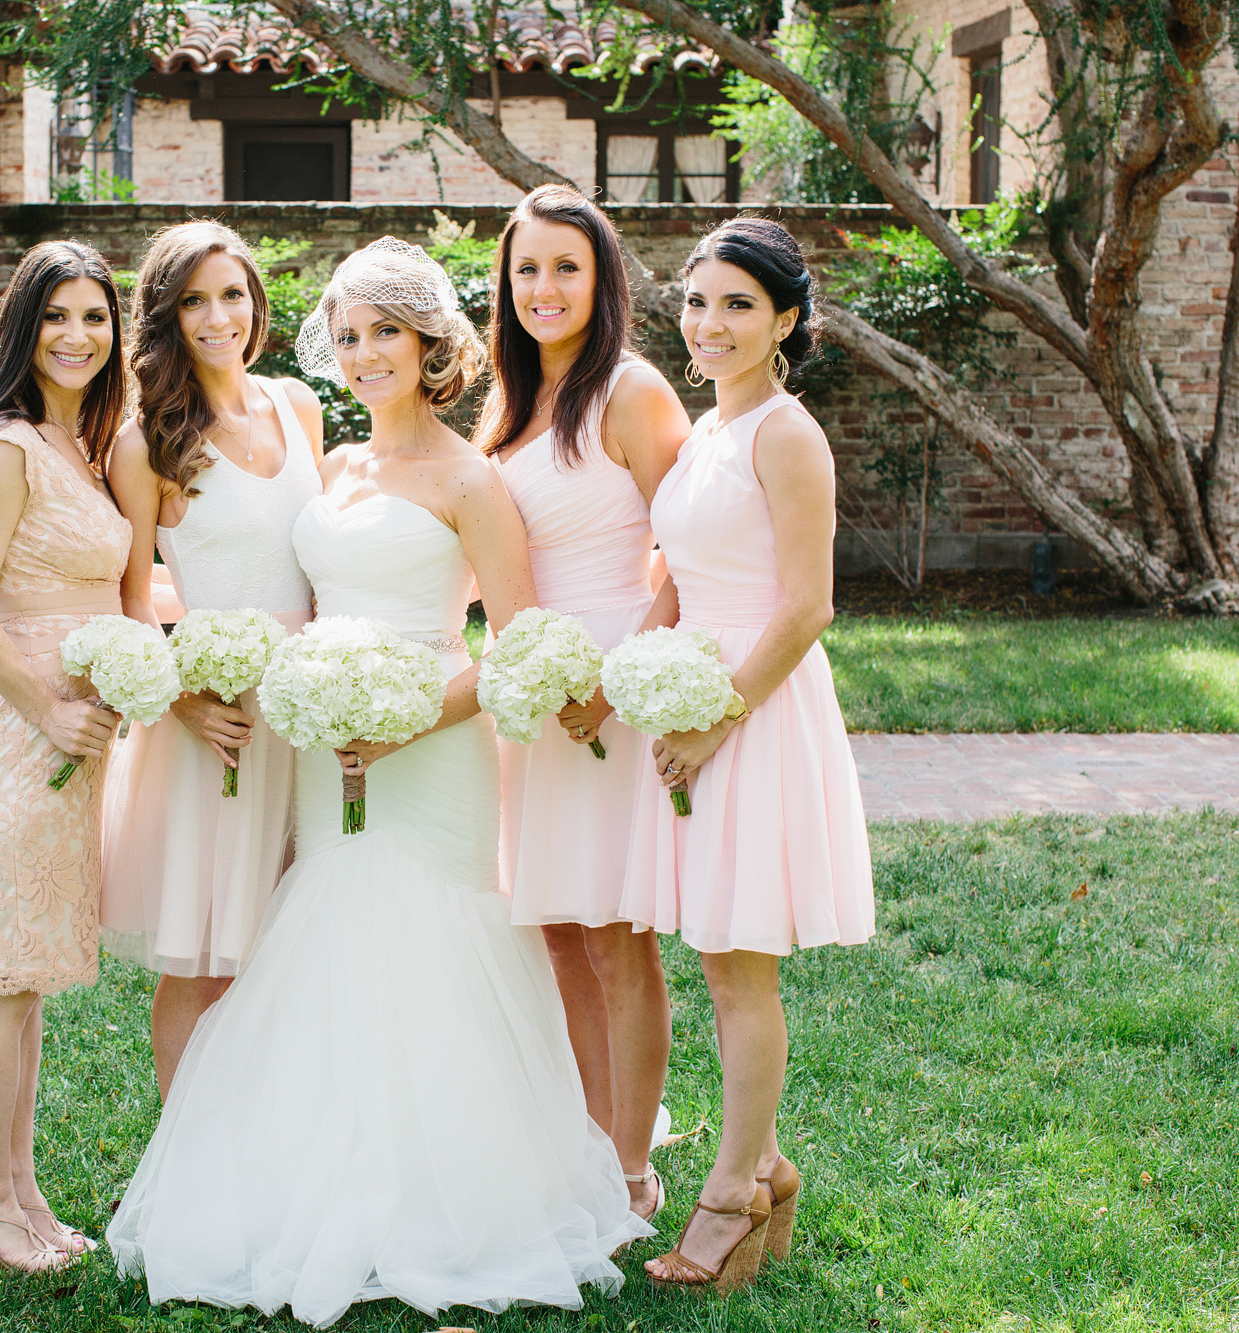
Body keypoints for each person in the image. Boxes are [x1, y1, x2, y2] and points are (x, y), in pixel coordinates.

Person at [108, 237, 650, 1328]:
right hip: (321, 746)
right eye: (346, 336)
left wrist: (404, 721)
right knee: (322, 938)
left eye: (383, 334)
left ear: (427, 341)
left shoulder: (470, 478)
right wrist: (314, 697)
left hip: (431, 752)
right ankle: (318, 1172)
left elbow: (511, 643)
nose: (362, 354)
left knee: (431, 941)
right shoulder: (337, 462)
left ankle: (455, 1189)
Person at [622, 218, 875, 1292]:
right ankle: (763, 1167)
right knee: (712, 948)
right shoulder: (702, 428)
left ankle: (730, 1188)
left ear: (784, 320)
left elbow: (807, 603)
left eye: (735, 303)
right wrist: (639, 662)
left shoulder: (783, 433)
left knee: (737, 965)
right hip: (690, 693)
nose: (708, 321)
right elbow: (679, 564)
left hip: (753, 706)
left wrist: (716, 717)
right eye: (695, 299)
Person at [477, 184, 692, 1223]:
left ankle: (631, 1171)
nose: (543, 287)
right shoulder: (504, 403)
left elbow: (695, 549)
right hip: (532, 693)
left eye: (565, 266)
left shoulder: (631, 391)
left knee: (616, 934)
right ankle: (587, 1138)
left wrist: (615, 684)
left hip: (610, 689)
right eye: (526, 268)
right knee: (556, 926)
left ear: (600, 278)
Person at [0, 240, 132, 1274]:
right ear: (23, 328)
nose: (76, 335)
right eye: (55, 316)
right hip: (23, 738)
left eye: (94, 316)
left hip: (73, 742)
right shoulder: (5, 446)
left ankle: (19, 1194)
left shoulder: (77, 444)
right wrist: (48, 709)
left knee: (29, 977)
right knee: (0, 975)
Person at [101, 221, 325, 1098]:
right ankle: (185, 1168)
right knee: (205, 955)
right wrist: (184, 703)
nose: (217, 315)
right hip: (218, 722)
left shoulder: (296, 404)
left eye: (231, 293)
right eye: (193, 299)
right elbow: (129, 599)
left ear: (257, 302)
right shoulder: (146, 439)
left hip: (310, 712)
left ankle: (274, 1142)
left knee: (295, 942)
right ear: (166, 316)